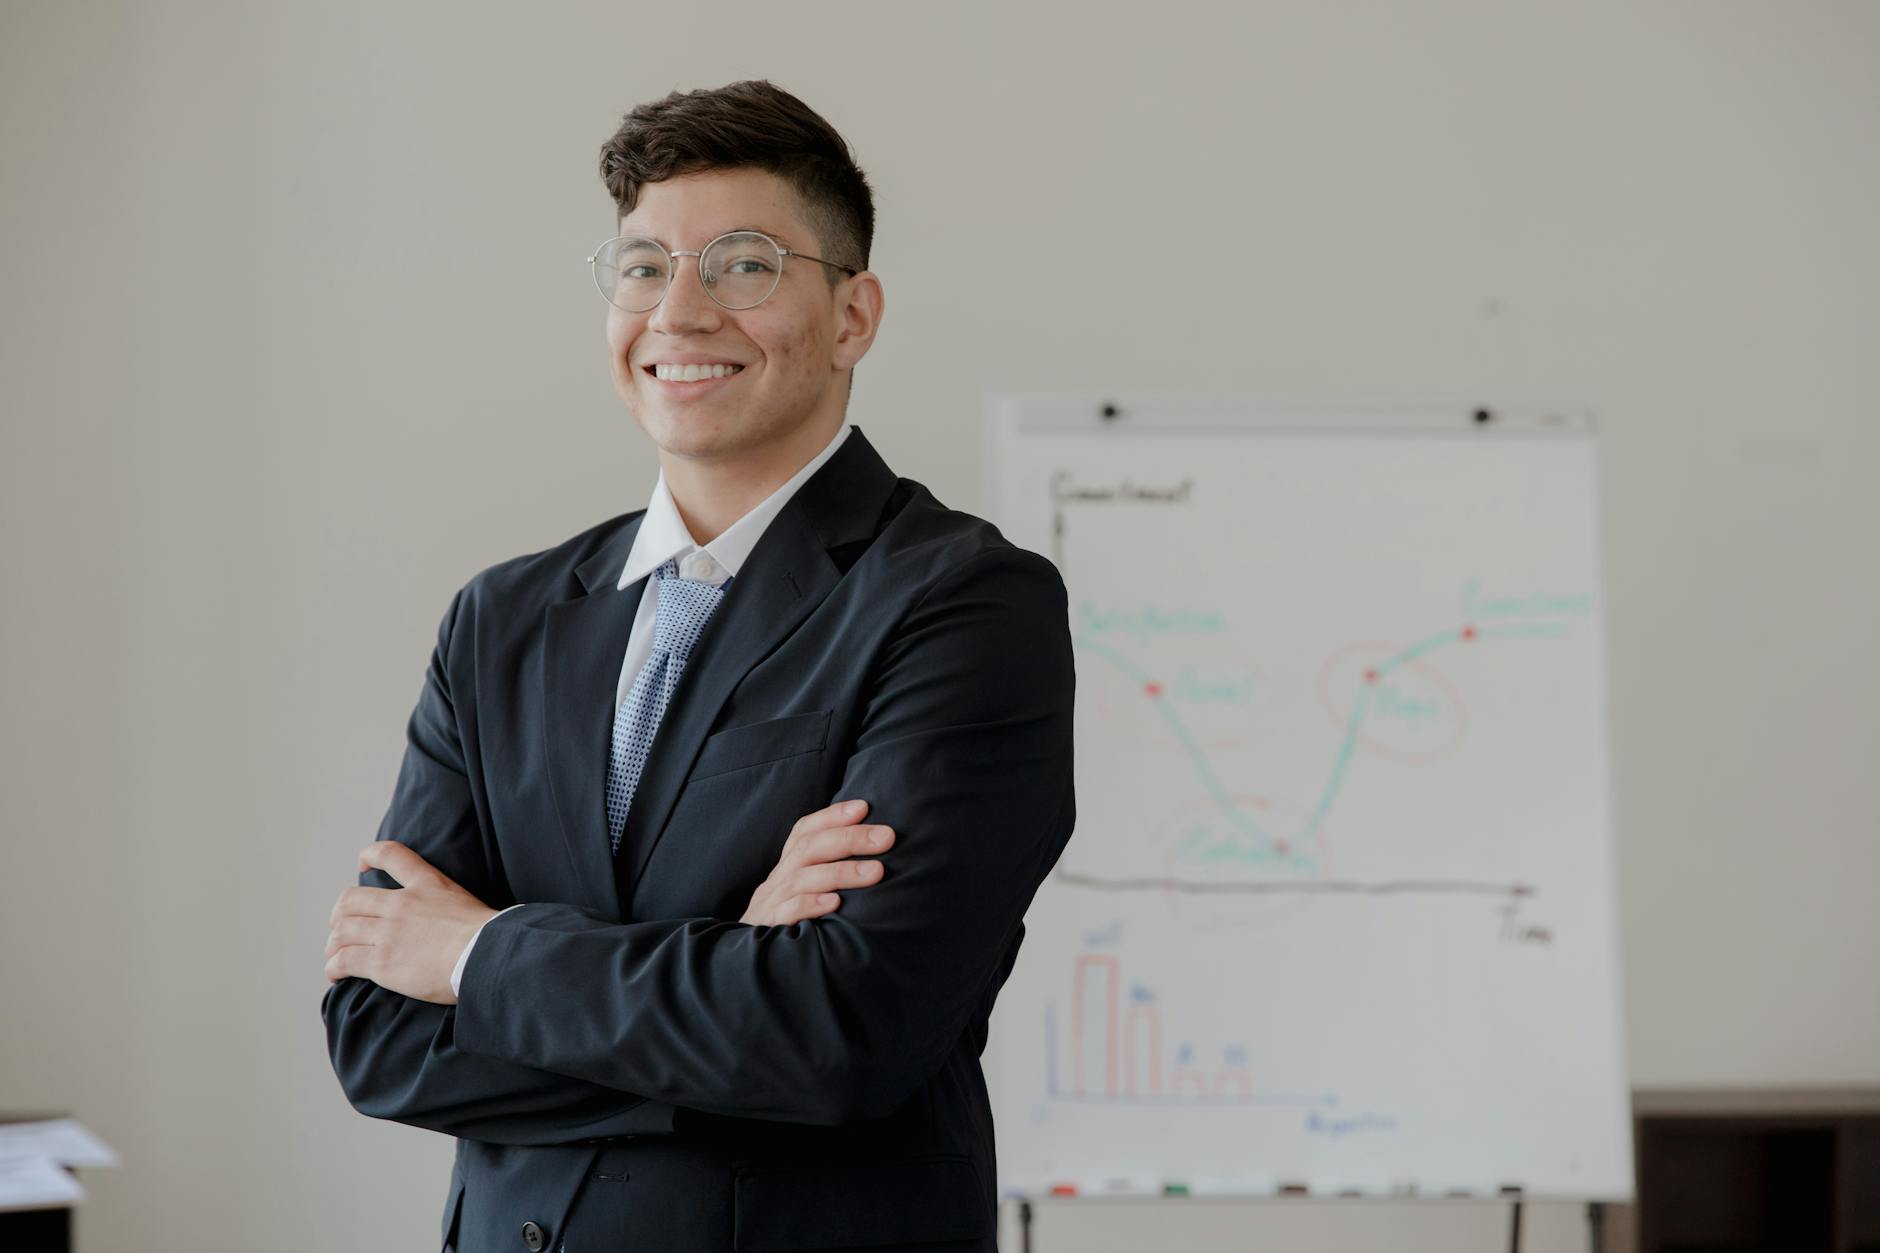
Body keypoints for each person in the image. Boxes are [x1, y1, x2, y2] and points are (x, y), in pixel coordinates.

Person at [321, 79, 1076, 1253]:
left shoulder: (959, 601)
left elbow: (839, 1032)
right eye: (641, 267)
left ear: (851, 315)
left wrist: (475, 951)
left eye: (744, 263)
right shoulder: (502, 621)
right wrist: (731, 966)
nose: (678, 312)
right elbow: (376, 1029)